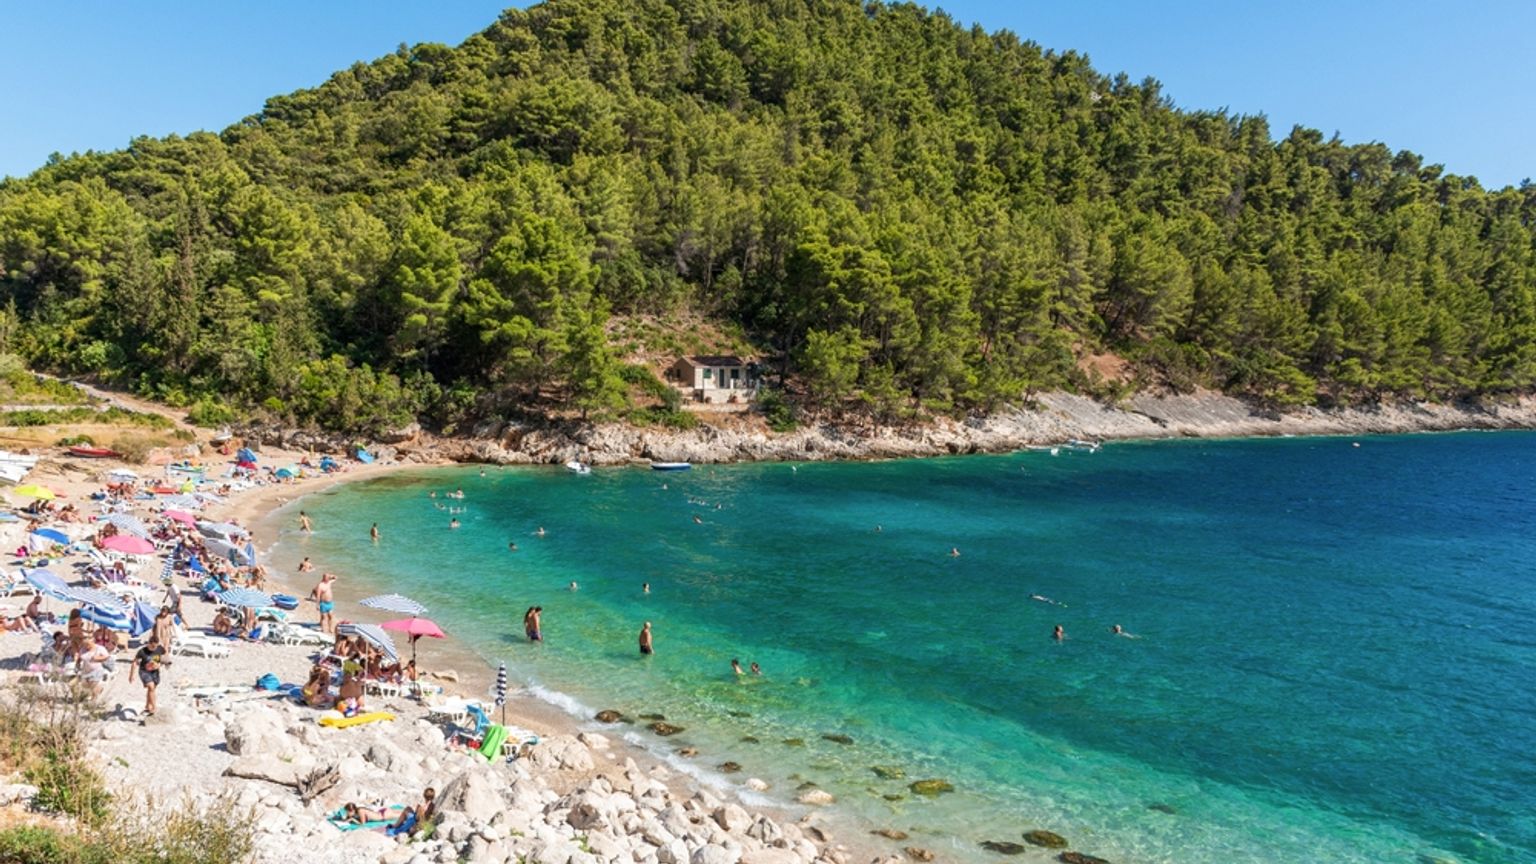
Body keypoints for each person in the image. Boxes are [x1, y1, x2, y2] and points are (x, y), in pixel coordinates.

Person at [133, 636, 168, 717]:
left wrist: (160, 664)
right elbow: (135, 662)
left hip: (155, 672)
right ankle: (154, 707)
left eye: (155, 646)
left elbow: (165, 658)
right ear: (149, 643)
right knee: (151, 687)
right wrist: (132, 675)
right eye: (152, 646)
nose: (153, 648)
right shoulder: (142, 651)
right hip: (144, 671)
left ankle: (148, 706)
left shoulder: (160, 649)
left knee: (151, 690)